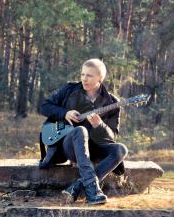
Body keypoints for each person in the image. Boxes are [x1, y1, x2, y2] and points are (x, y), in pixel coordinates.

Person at [39, 58, 128, 205]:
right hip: (68, 146)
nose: (84, 79)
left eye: (89, 76)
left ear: (100, 78)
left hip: (94, 148)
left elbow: (112, 136)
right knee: (80, 130)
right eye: (82, 74)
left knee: (121, 149)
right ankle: (93, 191)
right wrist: (64, 113)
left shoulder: (113, 103)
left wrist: (100, 125)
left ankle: (78, 186)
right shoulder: (69, 90)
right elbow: (45, 106)